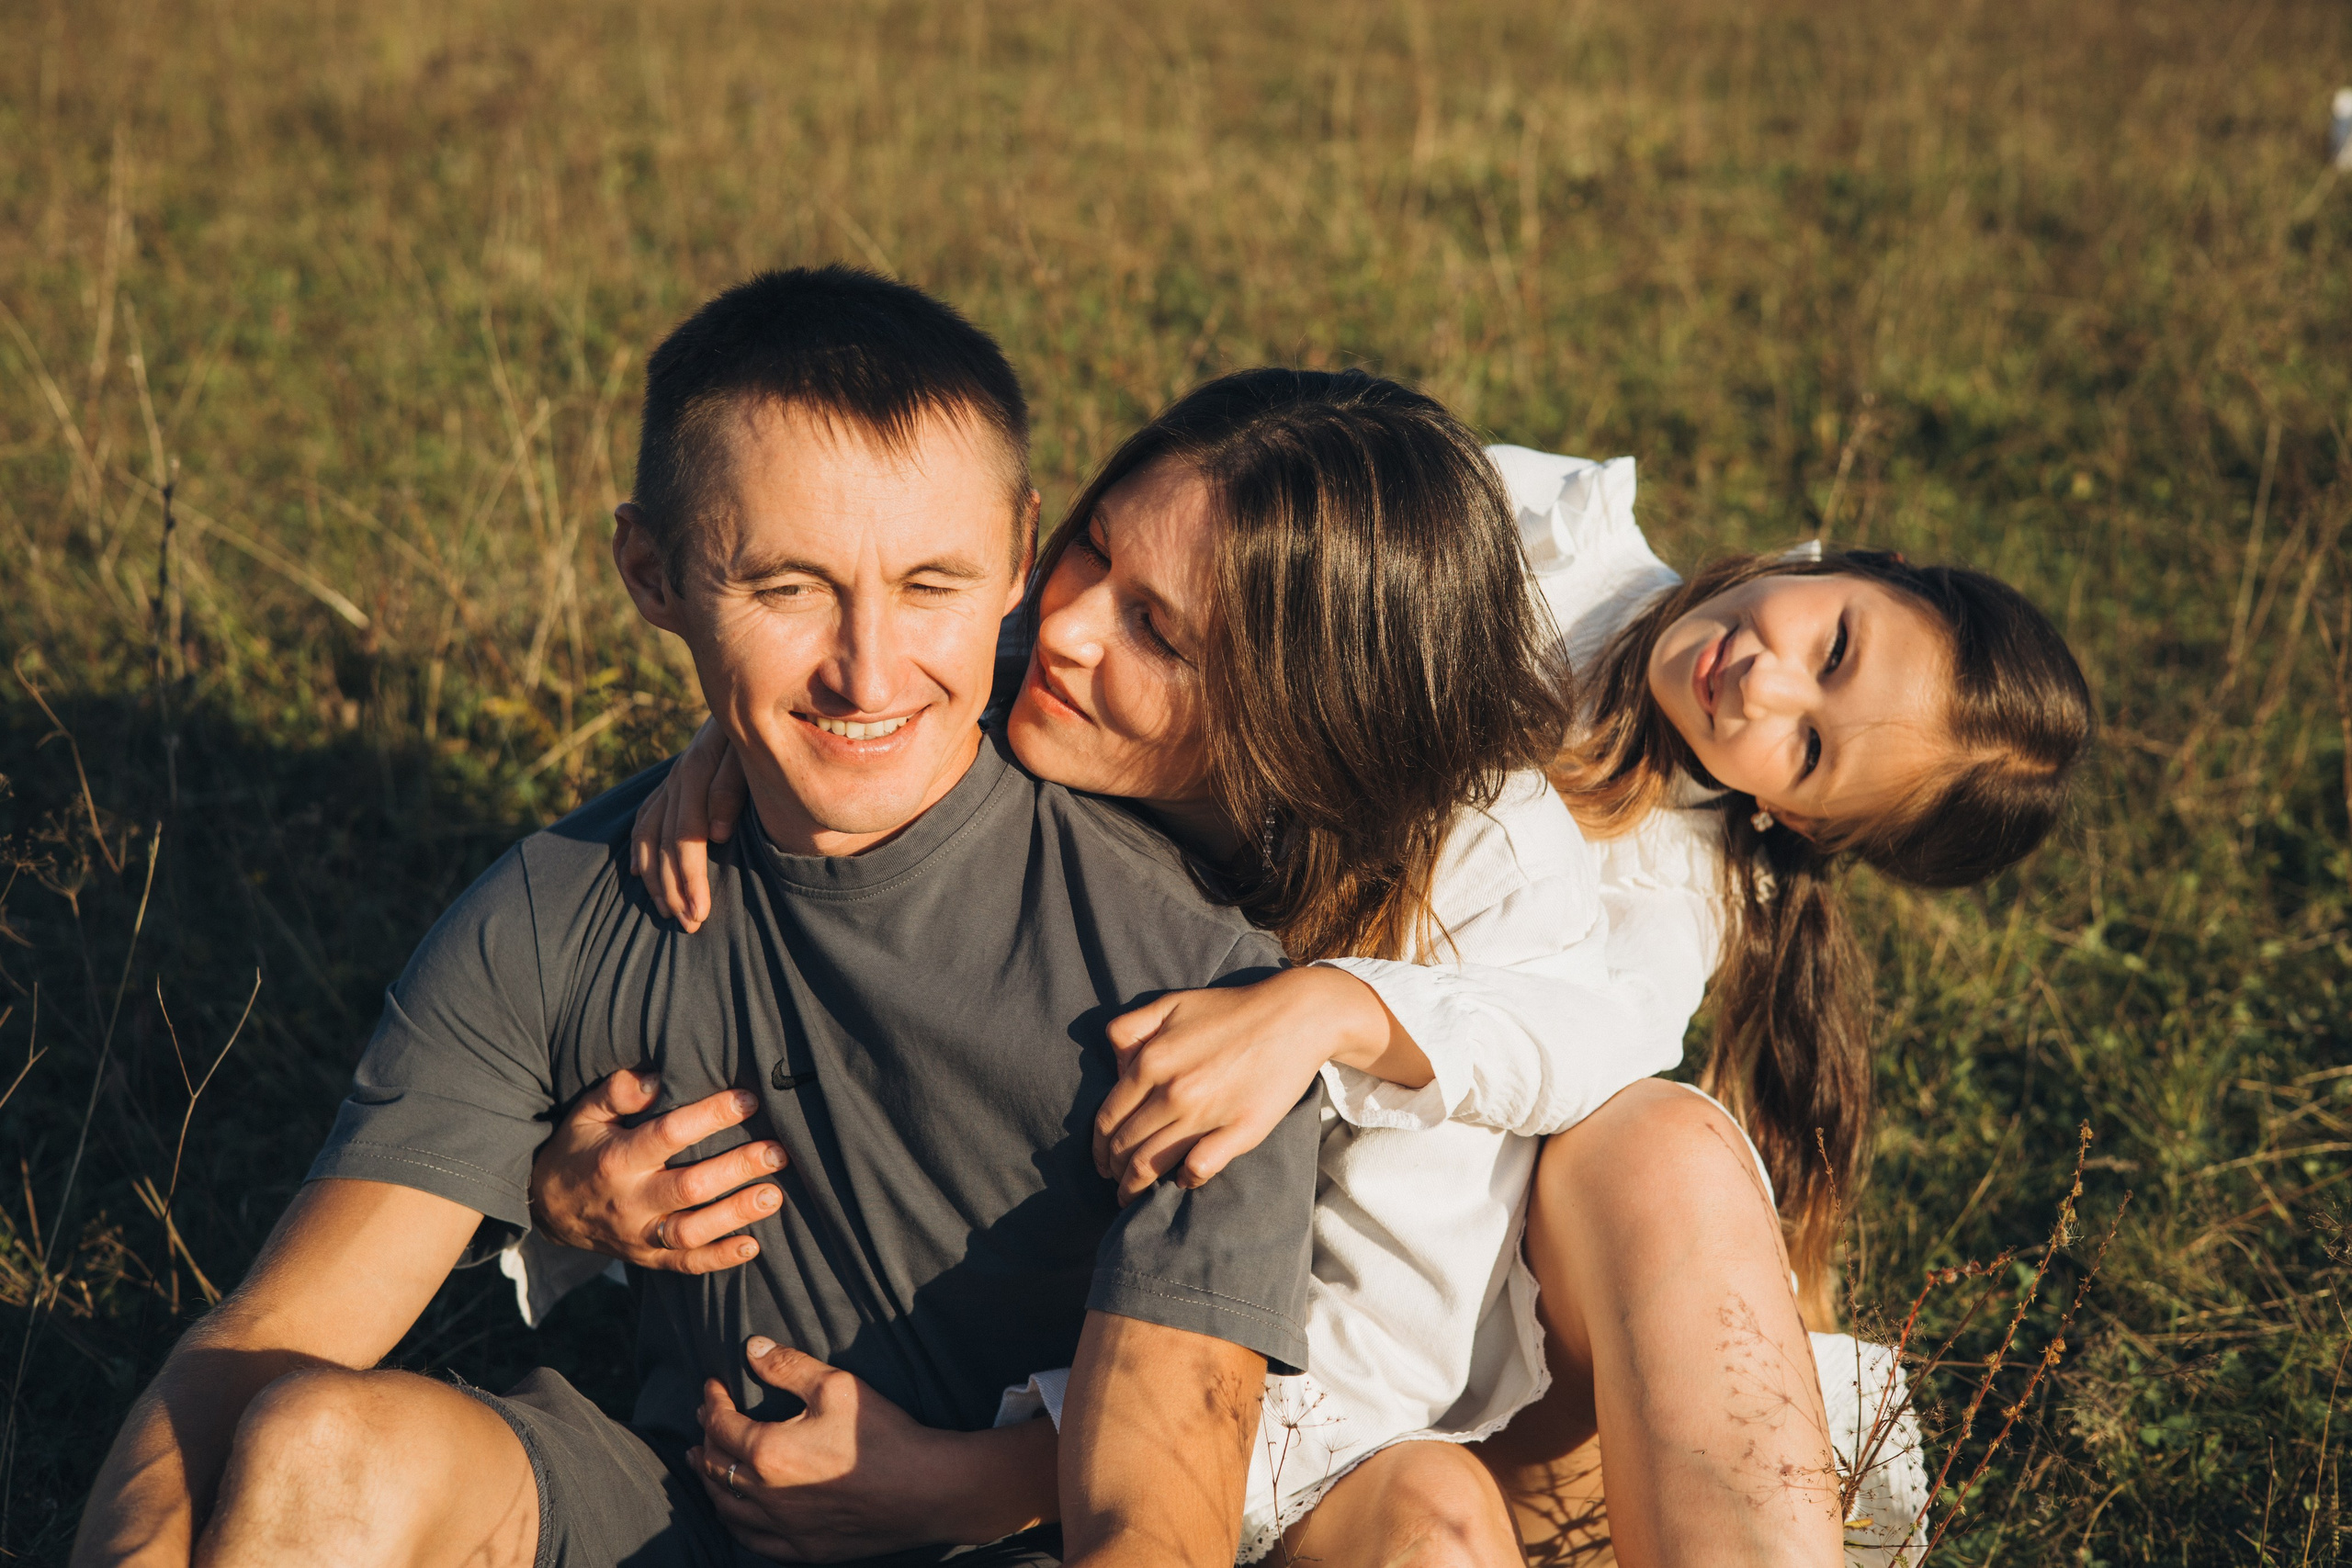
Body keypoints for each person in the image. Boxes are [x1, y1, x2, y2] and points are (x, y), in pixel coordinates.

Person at [577, 417, 2091, 1565]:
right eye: (1831, 640)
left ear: (1805, 824)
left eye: (1814, 747)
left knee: (1660, 1142)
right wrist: (818, 730)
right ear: (1833, 560)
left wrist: (1336, 1010)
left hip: (1424, 1339)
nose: (1767, 686)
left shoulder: (1621, 906)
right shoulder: (1531, 533)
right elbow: (1195, 566)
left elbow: (1467, 1185)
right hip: (1198, 1303)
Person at [68, 266, 1334, 1568]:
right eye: (790, 589)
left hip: (1006, 1543)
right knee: (312, 1448)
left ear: (1019, 557)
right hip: (673, 1520)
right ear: (651, 572)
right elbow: (266, 1341)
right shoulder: (561, 905)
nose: (869, 670)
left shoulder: (1196, 991)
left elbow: (1154, 1526)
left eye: (931, 583)